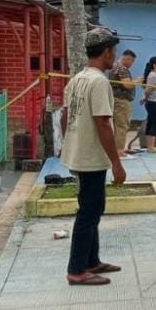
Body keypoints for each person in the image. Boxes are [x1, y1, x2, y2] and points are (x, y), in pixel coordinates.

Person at [61, 27, 127, 286]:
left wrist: (70, 142)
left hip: (79, 152)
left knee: (93, 208)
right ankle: (77, 270)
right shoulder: (99, 81)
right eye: (114, 51)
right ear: (107, 52)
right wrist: (117, 162)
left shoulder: (77, 79)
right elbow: (103, 123)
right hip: (90, 157)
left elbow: (66, 115)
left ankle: (92, 260)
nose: (115, 56)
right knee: (89, 212)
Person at [108, 49, 142, 159]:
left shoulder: (114, 66)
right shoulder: (122, 68)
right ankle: (119, 151)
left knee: (116, 126)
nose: (131, 64)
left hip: (115, 99)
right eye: (131, 62)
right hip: (121, 101)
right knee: (122, 125)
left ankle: (116, 149)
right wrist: (137, 81)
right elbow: (127, 85)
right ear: (127, 58)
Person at [141, 56, 156, 152]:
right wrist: (144, 98)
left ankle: (149, 146)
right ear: (155, 65)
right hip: (154, 102)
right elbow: (148, 89)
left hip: (154, 102)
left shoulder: (153, 75)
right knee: (155, 123)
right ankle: (151, 147)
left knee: (151, 123)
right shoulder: (153, 76)